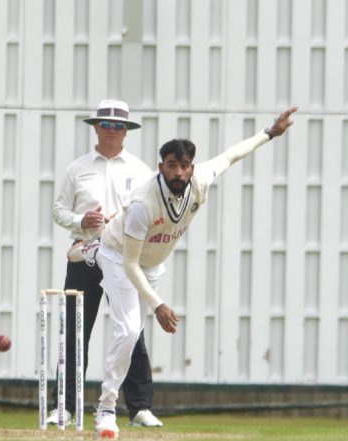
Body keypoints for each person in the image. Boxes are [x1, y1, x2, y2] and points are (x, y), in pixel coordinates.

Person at [81, 107, 298, 438]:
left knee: (131, 333)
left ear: (191, 168)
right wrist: (158, 305)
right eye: (172, 166)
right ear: (161, 168)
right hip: (118, 256)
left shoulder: (200, 181)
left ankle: (114, 405)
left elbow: (230, 156)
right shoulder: (144, 203)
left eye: (184, 166)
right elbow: (129, 264)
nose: (179, 173)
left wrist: (269, 133)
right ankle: (106, 410)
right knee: (125, 331)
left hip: (151, 265)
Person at [49, 100, 162, 428]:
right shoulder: (78, 167)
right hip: (84, 253)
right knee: (74, 330)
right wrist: (82, 219)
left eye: (119, 126)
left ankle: (139, 407)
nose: (112, 131)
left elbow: (152, 214)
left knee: (131, 329)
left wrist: (125, 224)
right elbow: (58, 211)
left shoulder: (140, 171)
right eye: (106, 125)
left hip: (122, 257)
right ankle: (66, 407)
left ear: (126, 131)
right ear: (96, 127)